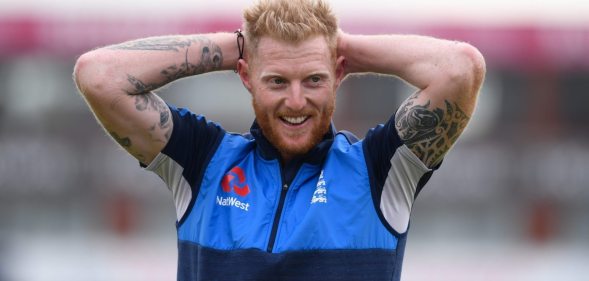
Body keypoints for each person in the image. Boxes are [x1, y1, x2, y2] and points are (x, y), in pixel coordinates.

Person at [73, 0, 485, 280]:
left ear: (339, 75)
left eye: (314, 79)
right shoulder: (202, 162)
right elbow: (98, 75)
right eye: (276, 80)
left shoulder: (379, 169)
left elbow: (461, 68)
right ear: (246, 76)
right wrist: (241, 44)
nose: (295, 101)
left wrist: (338, 46)